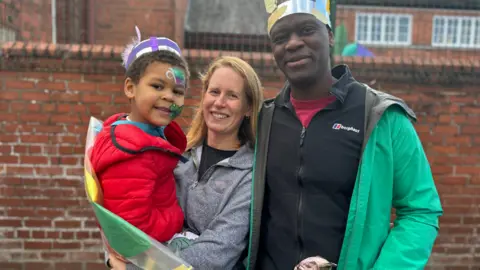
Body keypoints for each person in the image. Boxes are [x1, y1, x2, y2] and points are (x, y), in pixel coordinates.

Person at [246, 1, 443, 270]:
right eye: (280, 38)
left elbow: (420, 210)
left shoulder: (380, 116)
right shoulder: (264, 119)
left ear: (328, 36)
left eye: (306, 30)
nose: (292, 44)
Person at [107, 56, 264, 270]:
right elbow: (126, 212)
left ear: (248, 108)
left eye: (232, 96)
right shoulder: (173, 153)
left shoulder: (250, 175)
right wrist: (113, 251)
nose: (219, 102)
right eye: (214, 92)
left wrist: (133, 267)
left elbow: (215, 253)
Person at [90, 30, 190, 248]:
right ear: (130, 88)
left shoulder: (146, 133)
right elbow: (133, 229)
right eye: (157, 86)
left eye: (178, 91)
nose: (169, 96)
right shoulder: (133, 153)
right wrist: (178, 220)